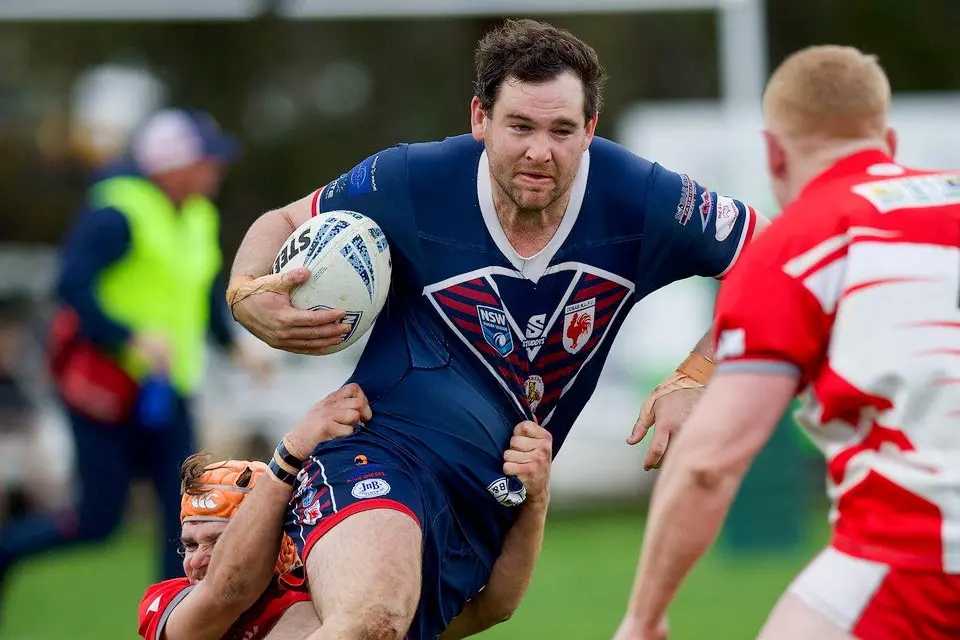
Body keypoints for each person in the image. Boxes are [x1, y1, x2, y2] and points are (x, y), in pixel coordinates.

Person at [226, 19, 768, 640]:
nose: (541, 150)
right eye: (521, 127)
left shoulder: (640, 198)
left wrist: (698, 375)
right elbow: (283, 219)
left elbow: (774, 258)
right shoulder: (414, 179)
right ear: (480, 118)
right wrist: (245, 295)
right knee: (370, 620)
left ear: (590, 129)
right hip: (378, 454)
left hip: (487, 508)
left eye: (563, 130)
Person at [614, 45, 960, 640]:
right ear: (890, 143)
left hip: (923, 550)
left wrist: (644, 617)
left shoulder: (797, 243)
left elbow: (709, 465)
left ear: (774, 153)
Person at [0, 108, 268, 600]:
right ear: (172, 166)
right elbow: (71, 285)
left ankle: (173, 621)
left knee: (181, 517)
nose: (216, 170)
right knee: (97, 520)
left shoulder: (198, 215)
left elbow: (199, 292)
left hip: (169, 390)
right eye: (207, 159)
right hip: (107, 391)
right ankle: (5, 549)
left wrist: (236, 346)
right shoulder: (117, 212)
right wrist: (128, 337)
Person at [138, 383, 554, 640]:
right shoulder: (167, 605)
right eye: (190, 543)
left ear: (277, 540)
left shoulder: (346, 579)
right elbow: (228, 592)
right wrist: (293, 451)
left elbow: (491, 608)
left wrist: (536, 499)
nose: (197, 559)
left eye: (217, 540)